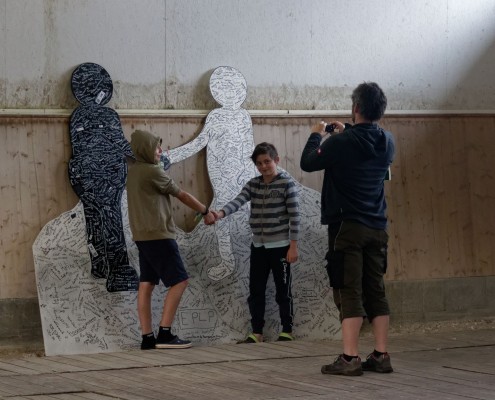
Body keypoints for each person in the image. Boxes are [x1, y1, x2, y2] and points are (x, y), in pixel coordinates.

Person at [300, 82, 395, 376]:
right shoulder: (388, 141)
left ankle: (350, 357)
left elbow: (308, 162)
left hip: (347, 227)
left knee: (348, 288)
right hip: (377, 226)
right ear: (381, 110)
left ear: (355, 107)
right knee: (375, 289)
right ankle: (381, 355)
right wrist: (347, 131)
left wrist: (317, 134)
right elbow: (362, 147)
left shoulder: (340, 143)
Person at [126, 129, 215, 350]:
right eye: (155, 147)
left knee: (147, 284)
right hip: (158, 235)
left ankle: (147, 337)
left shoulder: (134, 171)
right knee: (180, 281)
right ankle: (164, 334)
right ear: (145, 149)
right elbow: (181, 194)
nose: (160, 150)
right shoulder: (152, 171)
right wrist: (205, 211)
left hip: (142, 236)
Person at [210, 142, 300, 343]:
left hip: (281, 247)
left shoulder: (287, 184)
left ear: (276, 160)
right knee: (256, 290)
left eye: (267, 161)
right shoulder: (253, 184)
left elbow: (295, 217)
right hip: (258, 247)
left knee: (283, 291)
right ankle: (257, 332)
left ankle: (287, 330)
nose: (263, 166)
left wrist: (293, 246)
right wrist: (220, 213)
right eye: (259, 163)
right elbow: (238, 201)